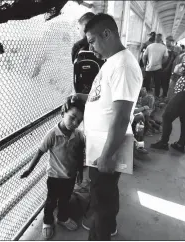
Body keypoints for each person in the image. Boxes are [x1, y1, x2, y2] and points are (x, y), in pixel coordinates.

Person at [69, 13, 143, 240]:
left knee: (101, 200)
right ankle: (108, 226)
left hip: (105, 148)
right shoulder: (113, 61)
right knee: (104, 194)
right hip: (100, 146)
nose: (90, 48)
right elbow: (105, 98)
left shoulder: (123, 66)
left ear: (107, 34)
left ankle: (101, 234)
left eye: (92, 41)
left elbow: (121, 116)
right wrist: (81, 96)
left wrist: (107, 155)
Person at [20, 98, 85, 239]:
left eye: (78, 121)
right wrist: (29, 170)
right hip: (54, 176)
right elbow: (40, 152)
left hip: (70, 176)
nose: (75, 123)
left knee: (65, 199)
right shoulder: (52, 134)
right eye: (72, 117)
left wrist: (80, 171)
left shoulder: (78, 135)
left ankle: (62, 218)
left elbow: (80, 154)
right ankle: (48, 221)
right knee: (51, 200)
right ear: (63, 113)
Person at [142, 33, 169, 98]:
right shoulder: (164, 47)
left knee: (146, 83)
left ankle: (144, 96)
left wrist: (145, 65)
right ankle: (156, 96)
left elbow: (144, 56)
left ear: (155, 39)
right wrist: (161, 63)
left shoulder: (149, 46)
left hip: (149, 67)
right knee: (157, 83)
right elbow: (166, 57)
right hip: (158, 67)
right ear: (161, 39)